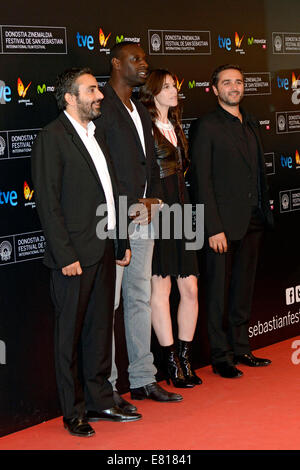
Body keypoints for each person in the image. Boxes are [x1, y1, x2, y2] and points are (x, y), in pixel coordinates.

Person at [31, 67, 141, 437]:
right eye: (92, 90)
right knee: (69, 338)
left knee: (99, 331)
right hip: (74, 256)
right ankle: (72, 411)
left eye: (98, 89)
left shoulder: (97, 134)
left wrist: (120, 241)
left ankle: (100, 401)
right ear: (70, 98)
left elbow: (112, 194)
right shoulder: (52, 137)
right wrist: (66, 256)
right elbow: (48, 202)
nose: (100, 96)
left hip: (104, 247)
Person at [96, 41, 182, 411]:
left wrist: (156, 201)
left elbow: (150, 164)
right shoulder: (101, 105)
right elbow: (101, 166)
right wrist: (129, 205)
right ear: (116, 63)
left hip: (145, 216)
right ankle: (108, 387)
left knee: (140, 299)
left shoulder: (140, 109)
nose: (143, 64)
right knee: (110, 303)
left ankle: (144, 379)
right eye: (136, 59)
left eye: (144, 58)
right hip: (114, 218)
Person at [189, 64, 274, 379]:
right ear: (214, 89)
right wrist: (213, 227)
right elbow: (201, 180)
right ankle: (220, 356)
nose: (234, 87)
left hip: (252, 220)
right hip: (222, 226)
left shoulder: (250, 122)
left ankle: (242, 348)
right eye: (227, 82)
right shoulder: (206, 126)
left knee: (242, 289)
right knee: (218, 292)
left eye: (239, 81)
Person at [139, 69, 201, 388]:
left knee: (190, 288)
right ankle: (171, 361)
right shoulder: (146, 128)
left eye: (174, 86)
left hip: (184, 207)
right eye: (166, 87)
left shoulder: (177, 125)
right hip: (159, 210)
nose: (174, 91)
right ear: (152, 93)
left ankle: (186, 356)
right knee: (160, 290)